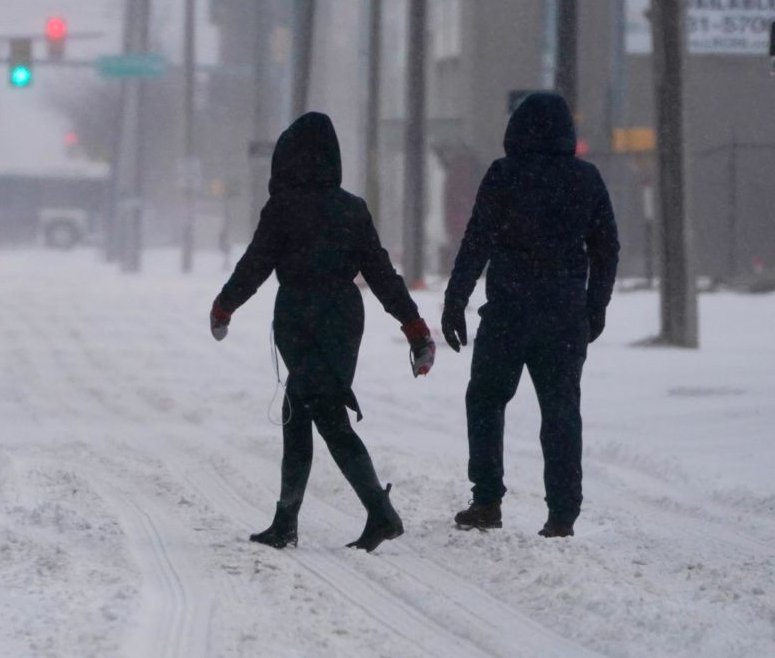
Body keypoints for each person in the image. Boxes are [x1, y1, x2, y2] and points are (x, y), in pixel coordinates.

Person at [209, 112, 436, 553]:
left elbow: (255, 265)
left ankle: (380, 514)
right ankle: (287, 520)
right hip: (342, 318)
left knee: (326, 417)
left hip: (298, 316)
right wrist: (413, 327)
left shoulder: (283, 209)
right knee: (300, 414)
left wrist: (224, 306)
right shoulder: (351, 209)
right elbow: (382, 274)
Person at [441, 93, 619, 538]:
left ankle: (486, 501)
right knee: (561, 413)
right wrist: (595, 305)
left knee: (485, 399)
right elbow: (606, 248)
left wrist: (455, 300)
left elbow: (476, 241)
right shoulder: (586, 178)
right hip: (564, 315)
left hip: (508, 311)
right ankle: (562, 514)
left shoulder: (505, 175)